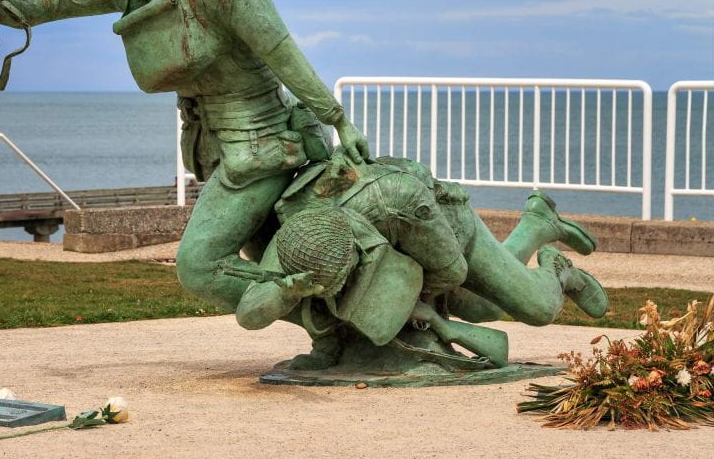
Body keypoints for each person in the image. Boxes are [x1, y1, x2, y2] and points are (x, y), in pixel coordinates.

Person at [0, 0, 368, 309]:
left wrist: (339, 121)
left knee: (200, 266)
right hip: (207, 144)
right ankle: (338, 336)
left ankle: (331, 330)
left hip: (260, 140)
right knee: (267, 256)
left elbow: (283, 54)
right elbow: (46, 3)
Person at [232, 151, 608, 370]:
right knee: (483, 308)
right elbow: (250, 313)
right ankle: (537, 223)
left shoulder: (397, 198)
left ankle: (559, 271)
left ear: (356, 247)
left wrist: (417, 306)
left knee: (535, 308)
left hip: (448, 232)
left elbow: (453, 271)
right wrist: (285, 292)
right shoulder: (298, 238)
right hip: (402, 252)